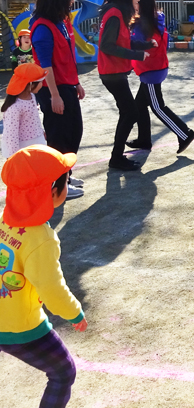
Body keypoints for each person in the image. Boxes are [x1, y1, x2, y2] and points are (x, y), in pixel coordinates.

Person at [0, 145, 88, 408]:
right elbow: (52, 288)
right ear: (52, 191)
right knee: (63, 372)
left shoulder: (4, 220)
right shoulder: (41, 238)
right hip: (21, 326)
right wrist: (75, 313)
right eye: (66, 181)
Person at [30, 0, 85, 198]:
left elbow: (67, 57)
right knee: (58, 135)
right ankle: (57, 185)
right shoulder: (43, 26)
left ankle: (66, 174)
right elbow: (45, 65)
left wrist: (77, 82)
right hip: (53, 88)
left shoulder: (60, 21)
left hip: (67, 85)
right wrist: (54, 95)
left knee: (74, 131)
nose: (72, 1)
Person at [127, 0, 194, 154]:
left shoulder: (146, 24)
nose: (134, 4)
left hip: (151, 70)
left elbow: (148, 45)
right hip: (152, 68)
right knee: (139, 106)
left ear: (141, 5)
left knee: (157, 107)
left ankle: (184, 133)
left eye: (136, 2)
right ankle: (144, 139)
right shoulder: (154, 20)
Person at [98, 0, 156, 171]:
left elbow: (122, 42)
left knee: (128, 112)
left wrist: (144, 45)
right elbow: (107, 46)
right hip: (111, 73)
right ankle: (116, 157)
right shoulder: (114, 14)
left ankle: (117, 156)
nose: (138, 1)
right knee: (130, 112)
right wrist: (137, 55)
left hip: (115, 72)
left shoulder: (118, 13)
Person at [1, 64, 47, 159]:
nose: (42, 85)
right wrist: (14, 157)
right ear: (30, 84)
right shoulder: (15, 107)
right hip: (23, 150)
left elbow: (33, 119)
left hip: (36, 144)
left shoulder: (32, 97)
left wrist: (40, 132)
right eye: (40, 82)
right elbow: (11, 135)